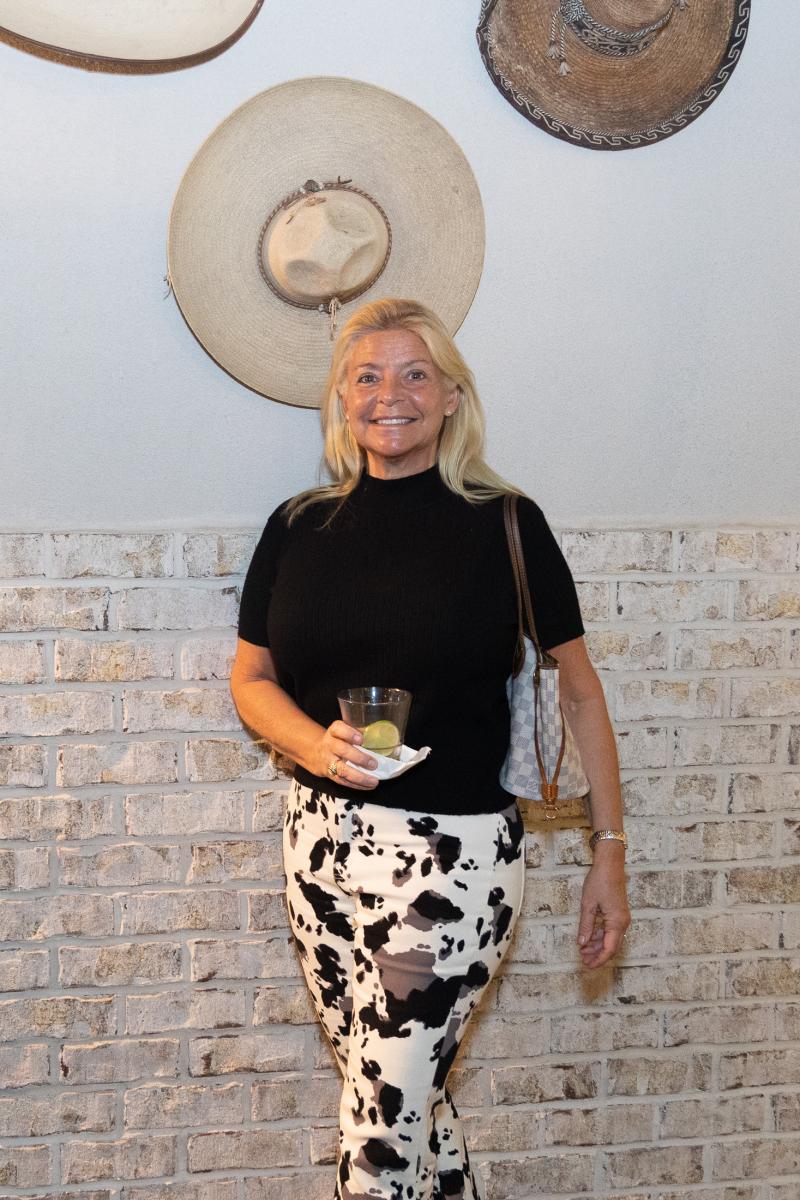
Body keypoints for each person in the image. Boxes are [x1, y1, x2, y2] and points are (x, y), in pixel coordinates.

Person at [230, 297, 631, 1200]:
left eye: (416, 374)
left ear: (453, 396)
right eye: (368, 375)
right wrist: (317, 748)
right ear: (342, 396)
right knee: (409, 1108)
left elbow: (578, 690)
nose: (391, 394)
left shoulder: (508, 523)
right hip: (320, 846)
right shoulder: (297, 526)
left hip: (454, 859)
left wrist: (609, 850)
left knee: (379, 1127)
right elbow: (251, 678)